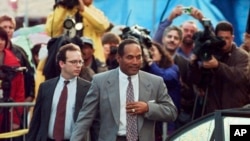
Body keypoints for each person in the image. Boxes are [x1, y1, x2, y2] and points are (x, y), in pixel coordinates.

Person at [70, 39, 177, 141]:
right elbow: (85, 117)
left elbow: (172, 112)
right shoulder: (100, 81)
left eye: (138, 57)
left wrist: (148, 108)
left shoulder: (155, 82)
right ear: (118, 58)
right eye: (130, 57)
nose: (135, 62)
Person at [27, 43, 94, 141]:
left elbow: (95, 123)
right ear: (62, 63)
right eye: (73, 62)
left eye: (80, 62)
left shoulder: (88, 88)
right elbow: (36, 120)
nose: (78, 65)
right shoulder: (46, 87)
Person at [188, 21, 250, 114]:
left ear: (232, 38)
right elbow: (198, 81)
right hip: (212, 111)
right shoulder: (210, 53)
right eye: (220, 38)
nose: (224, 41)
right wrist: (193, 63)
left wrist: (218, 66)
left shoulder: (242, 56)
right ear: (215, 38)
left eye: (227, 38)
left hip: (235, 111)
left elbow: (239, 77)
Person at [45, 0, 113, 62]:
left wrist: (84, 10)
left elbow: (103, 26)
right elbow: (52, 32)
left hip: (93, 60)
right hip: (68, 60)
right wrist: (62, 7)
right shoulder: (61, 11)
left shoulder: (95, 11)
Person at [146, 42, 181, 138]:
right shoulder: (145, 69)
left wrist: (151, 64)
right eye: (147, 51)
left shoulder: (172, 68)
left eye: (152, 50)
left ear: (161, 53)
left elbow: (167, 78)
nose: (150, 53)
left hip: (168, 119)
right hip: (150, 118)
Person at [0, 15, 35, 103]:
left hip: (17, 100)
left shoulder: (20, 52)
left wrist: (30, 95)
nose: (8, 30)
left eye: (11, 27)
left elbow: (29, 74)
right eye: (4, 27)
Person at [0, 27, 25, 135]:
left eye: (3, 39)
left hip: (7, 114)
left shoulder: (15, 63)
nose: (0, 42)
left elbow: (20, 93)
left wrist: (15, 120)